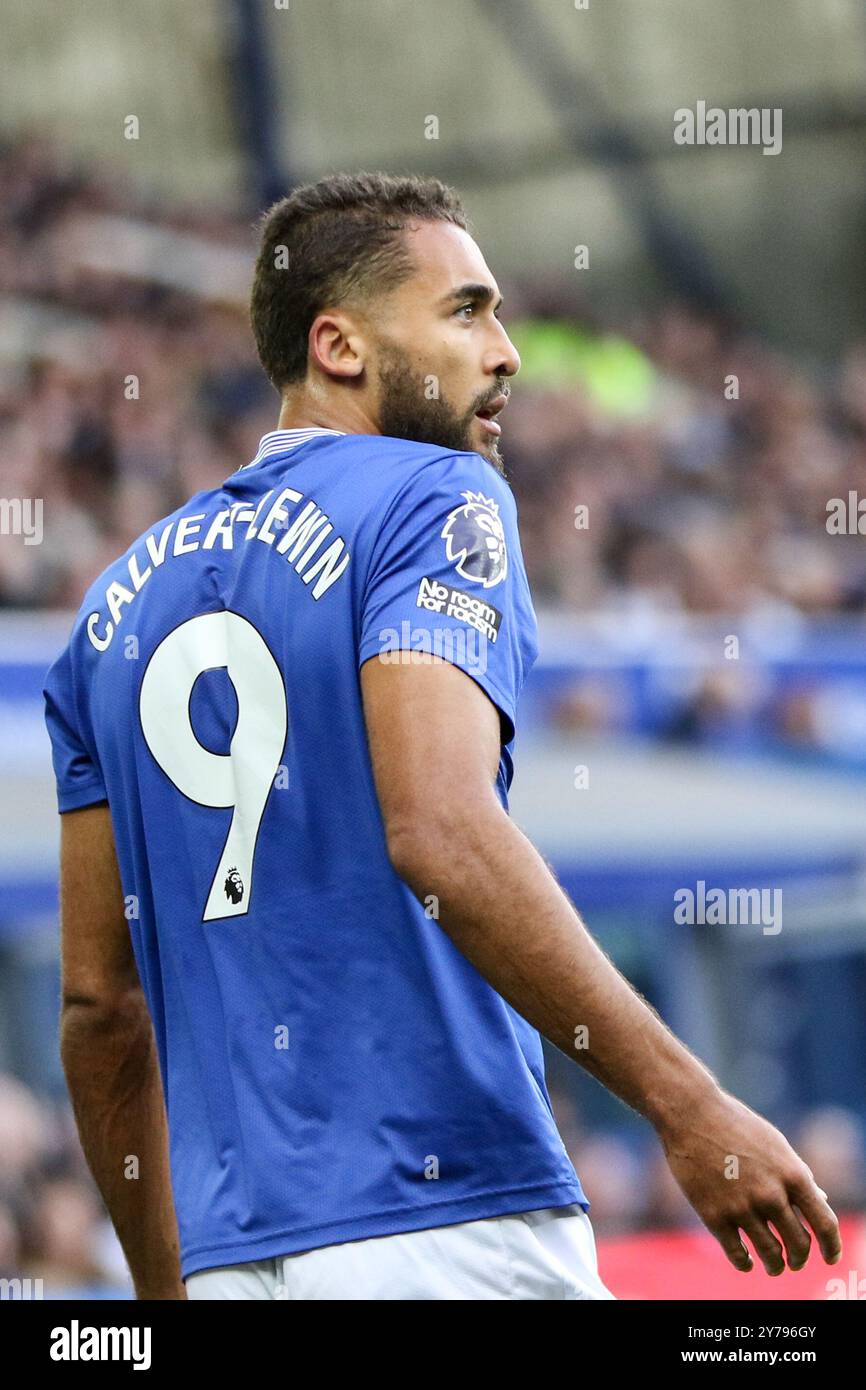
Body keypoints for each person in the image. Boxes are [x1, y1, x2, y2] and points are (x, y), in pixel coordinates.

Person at [43, 173, 841, 1301]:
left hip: (233, 1259)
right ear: (340, 347)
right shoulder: (432, 496)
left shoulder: (109, 608)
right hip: (446, 1217)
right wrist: (687, 1104)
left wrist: (167, 1293)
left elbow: (97, 1006)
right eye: (465, 310)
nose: (506, 350)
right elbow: (441, 832)